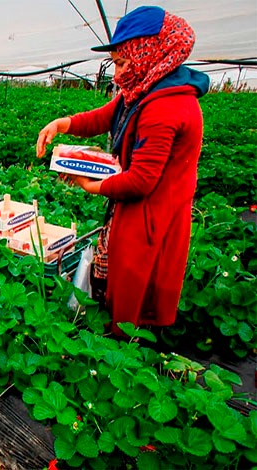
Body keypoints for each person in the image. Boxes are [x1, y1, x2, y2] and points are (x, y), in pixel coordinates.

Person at [35, 6, 209, 335]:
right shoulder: (144, 88)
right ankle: (114, 335)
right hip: (135, 208)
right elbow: (106, 115)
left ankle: (125, 354)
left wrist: (92, 186)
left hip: (152, 214)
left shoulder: (166, 106)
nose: (117, 73)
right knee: (119, 276)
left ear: (146, 52)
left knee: (137, 287)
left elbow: (141, 181)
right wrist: (62, 124)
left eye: (121, 62)